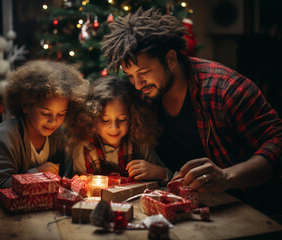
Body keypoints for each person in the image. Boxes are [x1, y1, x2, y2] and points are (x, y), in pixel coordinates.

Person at [101, 8, 282, 214]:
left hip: (243, 206)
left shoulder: (225, 89)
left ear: (170, 59)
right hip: (175, 205)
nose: (137, 84)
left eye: (144, 72)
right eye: (130, 75)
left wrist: (226, 177)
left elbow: (277, 142)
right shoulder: (143, 96)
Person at [0, 60, 89, 189]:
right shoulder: (6, 136)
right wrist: (37, 174)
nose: (53, 121)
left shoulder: (58, 134)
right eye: (45, 113)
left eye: (61, 114)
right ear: (26, 105)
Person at [70, 75, 172, 184]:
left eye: (122, 119)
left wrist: (159, 172)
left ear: (133, 117)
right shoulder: (84, 150)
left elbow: (170, 179)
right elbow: (78, 187)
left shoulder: (139, 144)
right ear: (92, 118)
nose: (114, 127)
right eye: (105, 120)